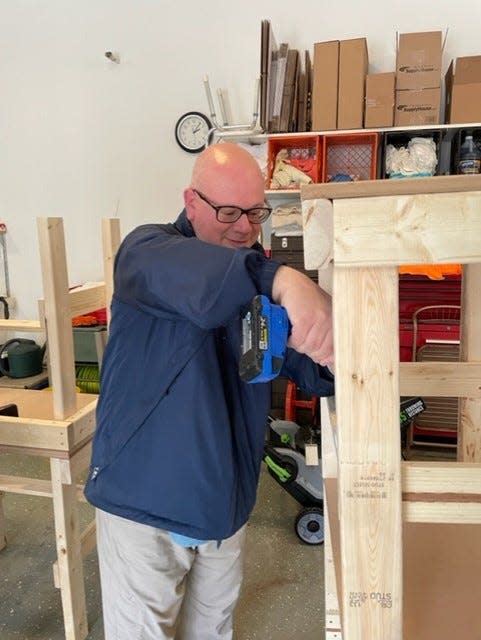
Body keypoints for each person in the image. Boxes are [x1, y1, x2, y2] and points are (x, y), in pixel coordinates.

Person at [84, 142, 334, 640]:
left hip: (224, 505)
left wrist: (335, 351)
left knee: (212, 629)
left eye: (255, 212)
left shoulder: (253, 273)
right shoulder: (147, 253)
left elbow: (310, 364)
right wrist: (281, 277)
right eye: (228, 211)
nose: (245, 226)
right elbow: (204, 286)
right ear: (191, 202)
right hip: (145, 507)